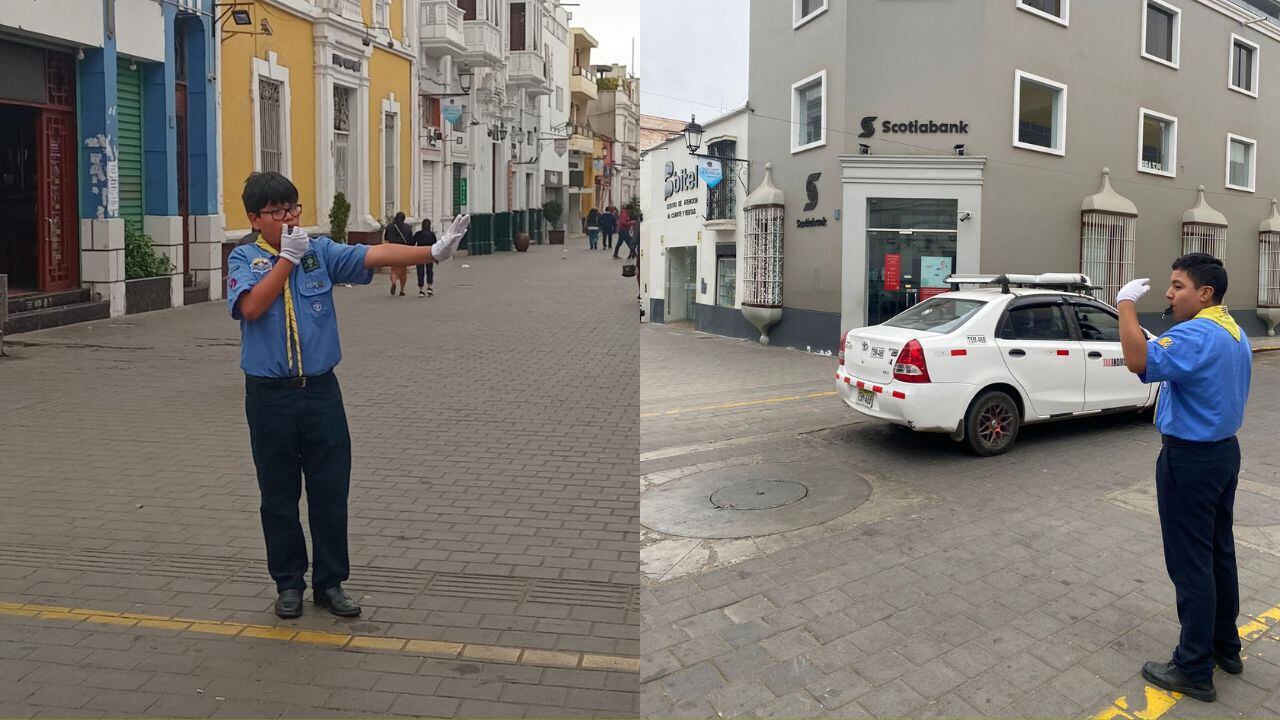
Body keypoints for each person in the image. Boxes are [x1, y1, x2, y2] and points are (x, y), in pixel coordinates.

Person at [225, 172, 469, 619]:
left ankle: (331, 582)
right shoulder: (244, 258)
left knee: (330, 491)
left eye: (294, 208)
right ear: (255, 219)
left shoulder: (317, 252)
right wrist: (285, 261)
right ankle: (288, 584)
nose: (289, 218)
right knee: (278, 495)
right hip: (270, 397)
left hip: (320, 392)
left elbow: (372, 253)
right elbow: (252, 307)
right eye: (277, 212)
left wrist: (431, 251)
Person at [1116, 253, 1252, 703]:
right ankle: (1225, 648)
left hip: (1189, 460)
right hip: (1223, 454)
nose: (1170, 295)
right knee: (1218, 555)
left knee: (1190, 563)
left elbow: (1138, 361)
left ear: (1205, 293)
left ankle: (1193, 667)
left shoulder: (1194, 333)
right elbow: (1177, 363)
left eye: (1178, 286)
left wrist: (1125, 306)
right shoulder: (1233, 331)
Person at [384, 211, 413, 296]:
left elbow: (386, 239)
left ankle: (394, 282)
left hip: (393, 251)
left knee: (394, 270)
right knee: (403, 272)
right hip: (403, 251)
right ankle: (402, 290)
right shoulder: (408, 227)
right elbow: (411, 241)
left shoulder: (389, 227)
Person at [412, 219, 438, 297]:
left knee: (420, 272)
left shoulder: (418, 234)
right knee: (429, 271)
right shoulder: (432, 234)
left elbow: (412, 243)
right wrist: (436, 258)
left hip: (419, 254)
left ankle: (421, 290)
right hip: (429, 254)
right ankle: (429, 287)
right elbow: (435, 246)